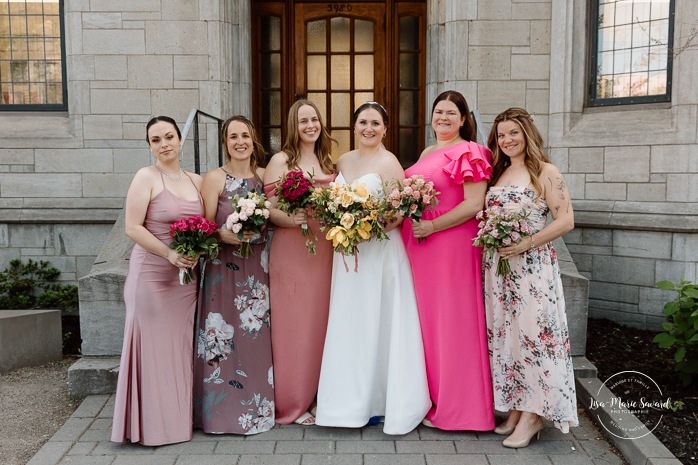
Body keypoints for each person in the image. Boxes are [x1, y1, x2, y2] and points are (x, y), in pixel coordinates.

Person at [315, 101, 430, 435]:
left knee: (380, 320)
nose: (369, 128)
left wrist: (368, 227)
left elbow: (399, 211)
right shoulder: (343, 160)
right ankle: (346, 403)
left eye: (376, 123)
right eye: (363, 122)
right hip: (347, 253)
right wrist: (344, 227)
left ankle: (380, 402)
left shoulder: (389, 161)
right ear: (354, 126)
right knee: (350, 320)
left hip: (379, 250)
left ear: (385, 129)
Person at [400, 90, 494, 430]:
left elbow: (473, 204)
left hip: (451, 244)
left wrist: (432, 225)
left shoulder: (472, 151)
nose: (443, 118)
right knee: (428, 325)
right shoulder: (428, 151)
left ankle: (462, 410)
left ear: (464, 119)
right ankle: (435, 398)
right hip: (421, 246)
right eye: (438, 112)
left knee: (454, 322)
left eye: (451, 113)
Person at [484, 107, 578, 448]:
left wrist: (527, 242)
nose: (507, 140)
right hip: (499, 270)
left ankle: (535, 416)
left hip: (533, 269)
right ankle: (516, 407)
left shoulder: (546, 171)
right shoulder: (499, 172)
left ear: (527, 135)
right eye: (501, 135)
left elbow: (565, 220)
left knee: (535, 338)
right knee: (508, 337)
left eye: (513, 133)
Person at [112, 116, 203, 446]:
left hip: (184, 278)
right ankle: (147, 427)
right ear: (149, 146)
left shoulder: (196, 180)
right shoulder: (145, 177)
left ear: (180, 139)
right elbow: (132, 227)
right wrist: (168, 254)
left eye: (169, 136)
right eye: (156, 139)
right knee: (151, 350)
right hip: (151, 274)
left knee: (178, 349)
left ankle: (176, 422)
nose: (164, 144)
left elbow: (204, 225)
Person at [192, 115, 275, 435]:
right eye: (232, 137)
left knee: (254, 340)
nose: (239, 142)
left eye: (245, 135)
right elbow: (205, 226)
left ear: (254, 140)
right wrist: (224, 236)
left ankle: (257, 411)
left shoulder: (265, 177)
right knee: (220, 341)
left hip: (256, 272)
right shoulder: (214, 178)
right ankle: (217, 415)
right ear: (224, 143)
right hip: (222, 272)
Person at [263, 100, 336, 426]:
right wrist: (293, 220)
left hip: (326, 250)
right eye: (304, 120)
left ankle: (318, 394)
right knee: (293, 326)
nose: (311, 125)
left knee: (321, 325)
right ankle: (292, 401)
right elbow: (269, 209)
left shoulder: (327, 159)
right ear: (294, 125)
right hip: (293, 250)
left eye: (315, 119)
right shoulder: (281, 160)